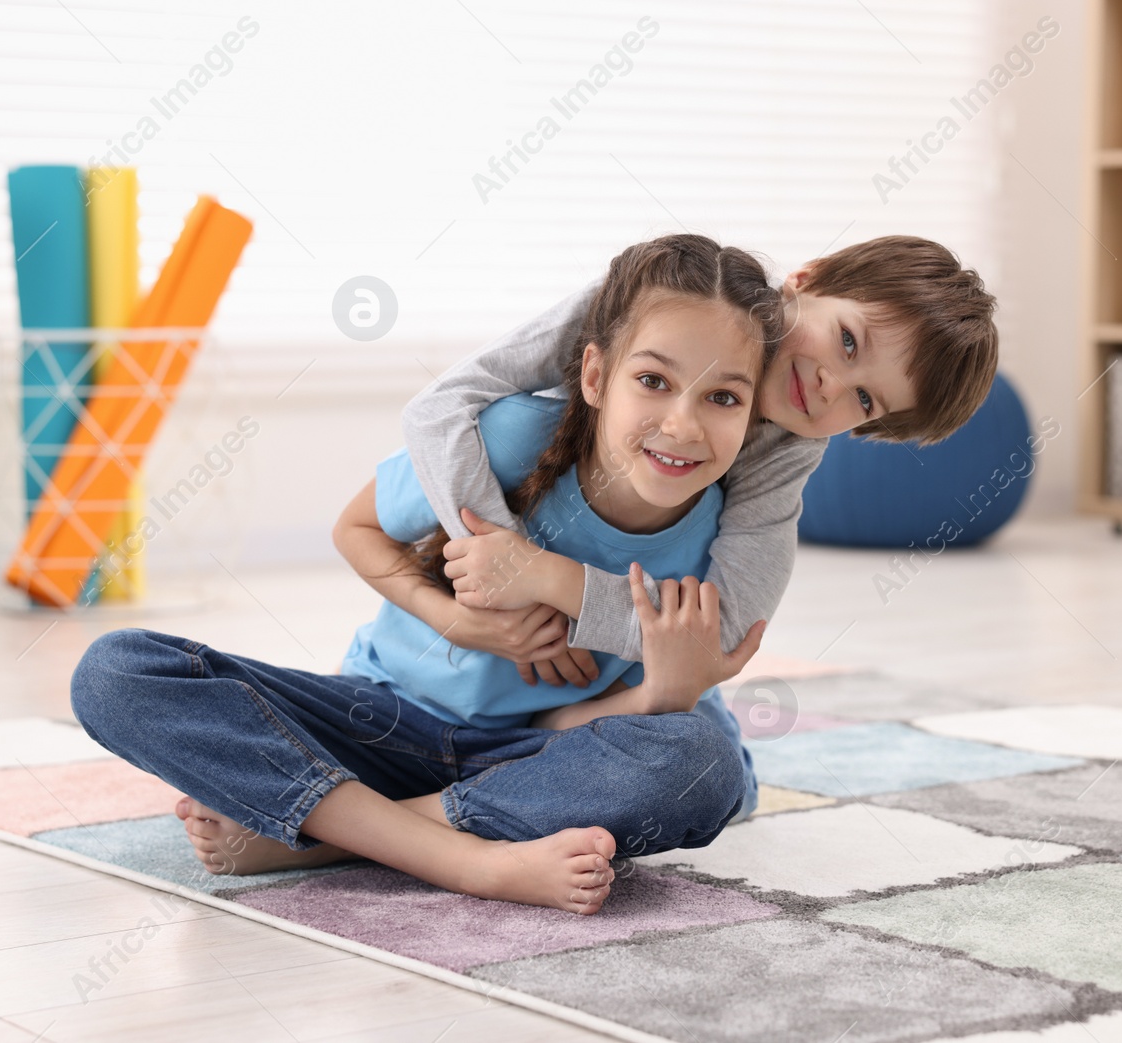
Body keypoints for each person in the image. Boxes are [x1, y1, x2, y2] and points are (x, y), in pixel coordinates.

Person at [70, 234, 780, 915]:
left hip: (526, 761)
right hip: (378, 719)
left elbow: (568, 722)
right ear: (595, 376)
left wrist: (663, 692)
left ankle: (327, 838)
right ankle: (471, 860)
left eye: (723, 397)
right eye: (653, 381)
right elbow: (357, 526)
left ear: (754, 416)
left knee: (705, 763)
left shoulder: (718, 546)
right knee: (118, 670)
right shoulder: (506, 439)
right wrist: (458, 620)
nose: (683, 425)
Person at [397, 236, 999, 691]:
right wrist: (508, 569)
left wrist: (550, 583)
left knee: (698, 763)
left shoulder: (789, 448)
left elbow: (728, 630)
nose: (829, 386)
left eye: (864, 400)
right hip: (532, 533)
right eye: (847, 340)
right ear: (805, 280)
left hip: (608, 671)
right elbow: (440, 408)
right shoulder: (662, 302)